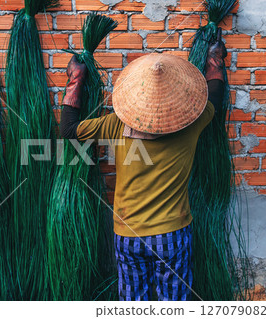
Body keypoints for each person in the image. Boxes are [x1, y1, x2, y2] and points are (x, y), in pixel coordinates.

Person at [60, 28, 227, 301]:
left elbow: (68, 130)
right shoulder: (194, 122)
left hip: (128, 235)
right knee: (173, 303)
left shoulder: (116, 123)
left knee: (133, 301)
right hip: (172, 234)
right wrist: (214, 60)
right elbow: (215, 98)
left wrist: (76, 80)